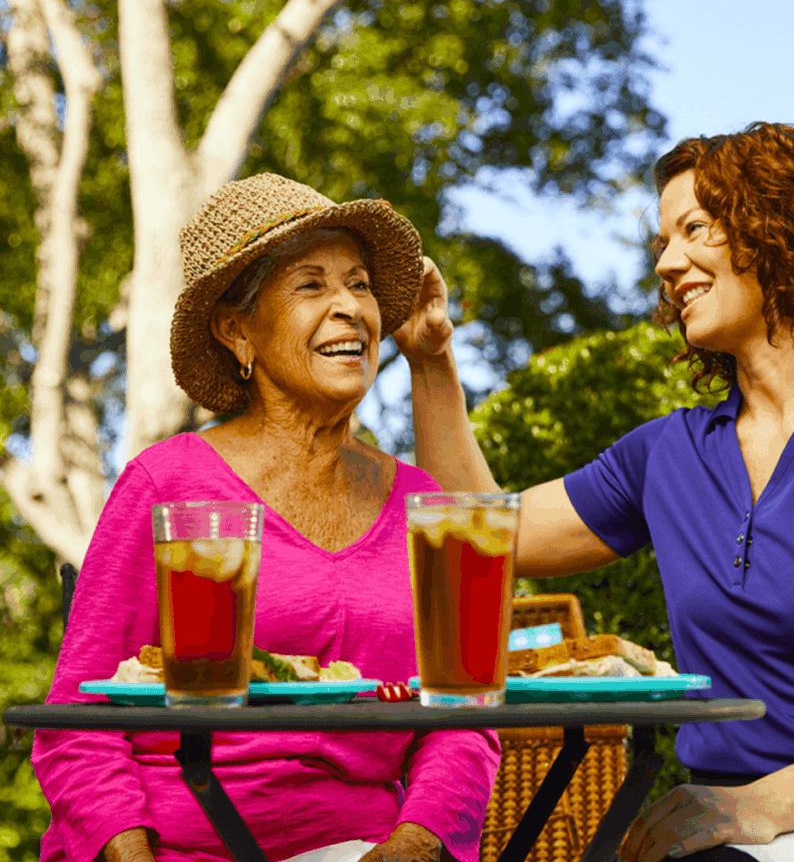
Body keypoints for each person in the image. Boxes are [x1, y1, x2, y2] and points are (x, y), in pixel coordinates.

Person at [394, 123, 794, 862]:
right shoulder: (668, 454)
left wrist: (756, 808)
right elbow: (485, 535)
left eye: (695, 230)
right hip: (729, 833)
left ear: (780, 230)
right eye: (661, 244)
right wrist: (431, 361)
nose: (670, 264)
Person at [33, 174, 499, 862]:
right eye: (311, 286)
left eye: (361, 285)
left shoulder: (425, 502)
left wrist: (414, 844)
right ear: (236, 330)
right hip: (174, 848)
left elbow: (467, 722)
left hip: (360, 846)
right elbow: (77, 727)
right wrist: (129, 853)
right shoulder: (167, 484)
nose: (349, 308)